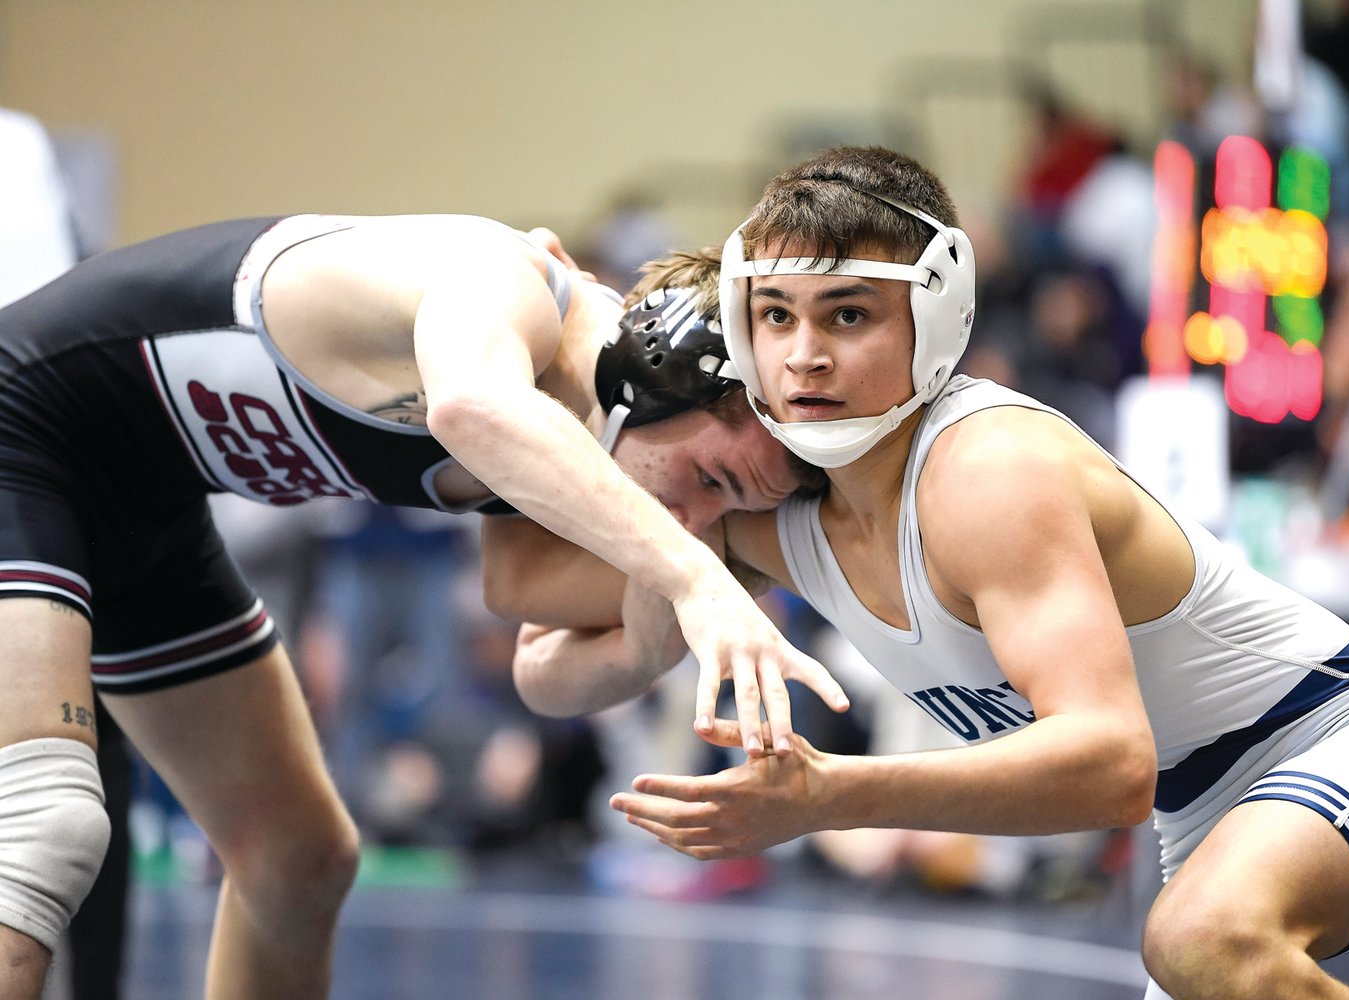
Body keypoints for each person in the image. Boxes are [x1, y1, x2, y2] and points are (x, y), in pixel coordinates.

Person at [513, 147, 1349, 999]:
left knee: (1204, 939)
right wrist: (626, 480)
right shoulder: (776, 520)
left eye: (847, 315)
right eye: (775, 316)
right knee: (1206, 943)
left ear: (932, 322)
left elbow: (1109, 764)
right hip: (1207, 811)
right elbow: (530, 616)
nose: (804, 356)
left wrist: (828, 794)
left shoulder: (985, 468)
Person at [0, 212, 847, 1000]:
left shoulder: (577, 450)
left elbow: (540, 670)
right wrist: (694, 576)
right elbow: (469, 406)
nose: (696, 521)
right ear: (666, 365)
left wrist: (651, 634)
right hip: (24, 421)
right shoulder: (507, 282)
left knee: (299, 861)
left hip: (144, 504)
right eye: (711, 482)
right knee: (47, 825)